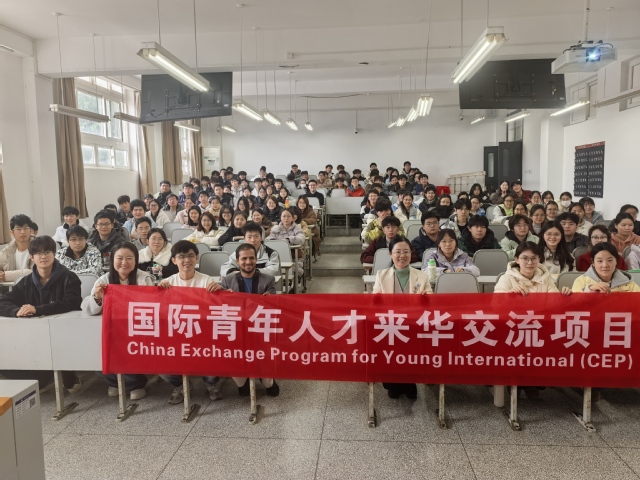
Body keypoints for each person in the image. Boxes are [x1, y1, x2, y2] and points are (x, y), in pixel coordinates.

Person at [0, 235, 81, 393]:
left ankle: (66, 374)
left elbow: (72, 302)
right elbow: (3, 302)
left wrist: (38, 310)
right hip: (33, 334)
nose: (43, 256)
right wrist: (17, 311)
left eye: (47, 252)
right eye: (38, 253)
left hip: (64, 331)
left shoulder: (69, 277)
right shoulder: (25, 282)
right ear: (31, 257)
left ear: (54, 254)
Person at [495, 241, 571, 400]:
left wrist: (564, 296)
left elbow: (555, 304)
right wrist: (509, 295)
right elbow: (495, 305)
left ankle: (530, 381)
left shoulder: (546, 278)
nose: (529, 262)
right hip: (513, 327)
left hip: (539, 326)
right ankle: (521, 382)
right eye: (525, 258)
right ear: (516, 259)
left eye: (534, 258)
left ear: (539, 259)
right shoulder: (506, 278)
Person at [81, 242, 153, 399]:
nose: (124, 262)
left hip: (136, 331)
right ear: (112, 260)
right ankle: (113, 382)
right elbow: (89, 309)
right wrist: (97, 297)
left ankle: (135, 384)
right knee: (99, 354)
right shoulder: (103, 280)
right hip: (112, 331)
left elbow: (151, 307)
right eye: (119, 258)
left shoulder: (144, 278)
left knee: (131, 351)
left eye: (129, 258)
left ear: (136, 260)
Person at [157, 241, 223, 403]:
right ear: (174, 260)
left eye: (191, 256)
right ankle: (180, 385)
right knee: (159, 363)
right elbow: (160, 312)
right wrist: (159, 292)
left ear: (197, 258)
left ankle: (211, 384)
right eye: (181, 257)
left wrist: (219, 292)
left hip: (202, 334)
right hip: (175, 335)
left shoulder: (207, 281)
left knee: (215, 356)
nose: (186, 260)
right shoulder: (168, 283)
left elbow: (216, 309)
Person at [372, 236, 431, 399]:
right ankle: (393, 383)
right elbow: (374, 301)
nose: (402, 255)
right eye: (398, 252)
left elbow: (430, 301)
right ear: (390, 254)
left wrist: (426, 298)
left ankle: (409, 383)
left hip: (413, 324)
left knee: (410, 356)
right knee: (390, 355)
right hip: (390, 324)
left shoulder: (422, 276)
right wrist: (376, 299)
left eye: (406, 251)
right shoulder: (381, 275)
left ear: (411, 253)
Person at [219, 243, 280, 397]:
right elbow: (221, 309)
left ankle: (267, 381)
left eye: (251, 258)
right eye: (244, 259)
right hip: (237, 330)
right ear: (237, 261)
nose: (248, 262)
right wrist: (224, 296)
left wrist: (271, 300)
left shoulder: (268, 279)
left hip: (260, 328)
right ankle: (244, 380)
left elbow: (274, 308)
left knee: (267, 380)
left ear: (256, 259)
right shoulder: (227, 280)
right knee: (238, 374)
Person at [572, 242, 640, 293]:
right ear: (593, 262)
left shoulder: (627, 283)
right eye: (600, 261)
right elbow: (575, 303)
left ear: (616, 261)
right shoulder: (581, 281)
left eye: (610, 260)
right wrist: (589, 289)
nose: (605, 265)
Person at [267, 208, 306, 277]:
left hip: (294, 256)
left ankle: (294, 281)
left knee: (294, 270)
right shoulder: (276, 228)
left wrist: (288, 239)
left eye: (288, 216)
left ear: (293, 218)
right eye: (284, 216)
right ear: (281, 218)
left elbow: (301, 238)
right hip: (277, 256)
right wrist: (276, 242)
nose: (286, 218)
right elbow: (268, 239)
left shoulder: (297, 227)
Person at [0, 214, 34, 283]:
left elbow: (36, 272)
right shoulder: (6, 252)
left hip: (34, 288)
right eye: (18, 229)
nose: (22, 232)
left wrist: (6, 276)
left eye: (26, 228)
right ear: (11, 232)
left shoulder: (40, 249)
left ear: (30, 231)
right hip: (11, 289)